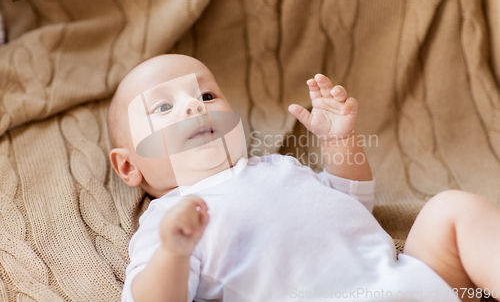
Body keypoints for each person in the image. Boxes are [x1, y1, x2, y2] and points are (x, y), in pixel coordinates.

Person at [108, 54, 500, 302]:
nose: (194, 104)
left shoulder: (279, 168)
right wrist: (174, 253)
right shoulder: (169, 222)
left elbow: (353, 206)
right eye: (163, 106)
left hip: (410, 283)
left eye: (207, 96)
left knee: (451, 210)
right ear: (128, 167)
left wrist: (339, 140)